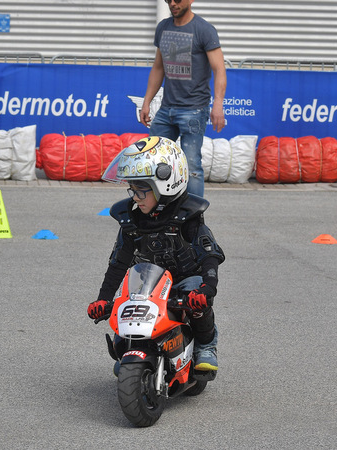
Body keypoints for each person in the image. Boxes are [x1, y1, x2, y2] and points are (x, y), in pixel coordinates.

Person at [87, 136, 225, 372]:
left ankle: (206, 346)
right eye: (132, 191)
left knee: (196, 301)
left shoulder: (188, 216)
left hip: (186, 279)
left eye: (141, 192)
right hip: (151, 280)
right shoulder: (131, 221)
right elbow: (118, 263)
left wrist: (206, 289)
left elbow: (210, 255)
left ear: (165, 184)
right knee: (127, 307)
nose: (135, 198)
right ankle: (129, 353)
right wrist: (104, 298)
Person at [139, 0, 227, 198]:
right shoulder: (163, 27)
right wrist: (147, 101)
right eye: (168, 0)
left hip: (194, 110)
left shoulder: (204, 30)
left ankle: (194, 215)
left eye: (177, 0)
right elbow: (158, 68)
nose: (172, 3)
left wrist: (218, 104)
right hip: (166, 109)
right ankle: (159, 209)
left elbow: (219, 69)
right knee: (155, 159)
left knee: (192, 164)